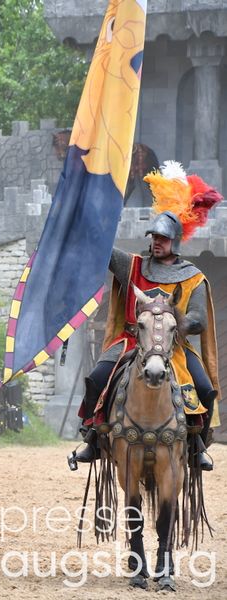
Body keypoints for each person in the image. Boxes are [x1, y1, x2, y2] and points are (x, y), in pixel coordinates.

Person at [71, 161, 221, 471]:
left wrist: (178, 324)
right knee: (96, 378)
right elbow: (101, 250)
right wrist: (89, 216)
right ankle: (93, 439)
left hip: (174, 347)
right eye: (154, 237)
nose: (156, 242)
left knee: (205, 389)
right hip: (130, 341)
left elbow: (199, 320)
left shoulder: (192, 277)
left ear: (174, 241)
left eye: (162, 238)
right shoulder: (133, 266)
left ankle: (198, 447)